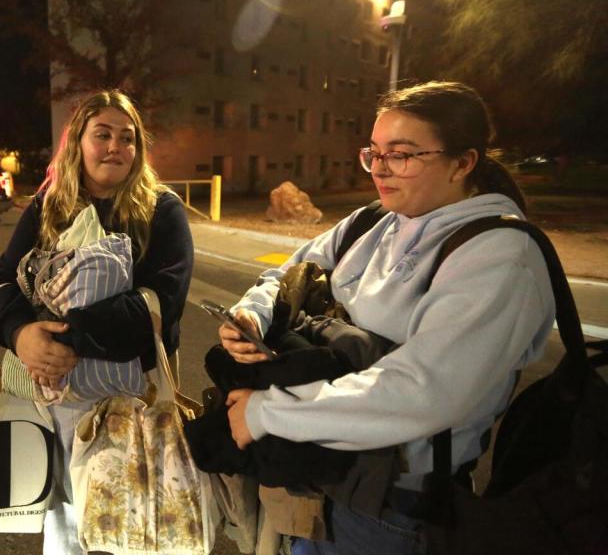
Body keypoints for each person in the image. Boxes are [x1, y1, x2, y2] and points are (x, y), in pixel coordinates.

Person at [220, 81, 556, 554]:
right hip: (319, 475)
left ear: (463, 163)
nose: (380, 169)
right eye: (373, 152)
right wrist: (251, 314)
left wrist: (268, 413)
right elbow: (290, 273)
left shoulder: (500, 256)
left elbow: (423, 390)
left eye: (400, 154)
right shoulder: (373, 221)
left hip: (393, 510)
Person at [0, 90, 193, 555]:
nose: (115, 147)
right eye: (102, 134)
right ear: (78, 141)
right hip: (54, 405)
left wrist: (65, 338)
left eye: (127, 137)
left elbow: (163, 304)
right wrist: (21, 335)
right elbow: (1, 281)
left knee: (135, 527)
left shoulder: (162, 211)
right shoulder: (46, 207)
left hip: (133, 403)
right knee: (68, 524)